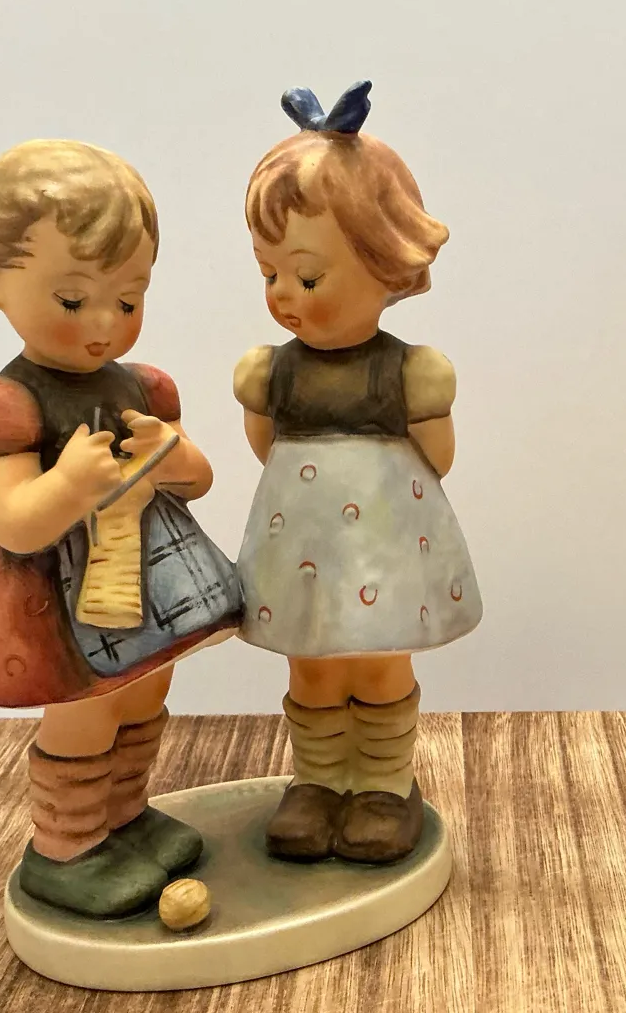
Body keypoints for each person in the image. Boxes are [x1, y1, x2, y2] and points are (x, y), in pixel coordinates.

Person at [0, 139, 242, 915]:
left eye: (128, 300)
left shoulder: (143, 386)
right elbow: (13, 522)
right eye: (72, 301)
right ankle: (66, 846)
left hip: (153, 582)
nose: (104, 324)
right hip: (61, 604)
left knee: (144, 694)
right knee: (87, 712)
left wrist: (172, 456)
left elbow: (198, 479)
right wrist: (68, 485)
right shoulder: (6, 405)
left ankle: (125, 817)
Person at [233, 81, 482, 864]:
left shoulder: (410, 372)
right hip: (300, 547)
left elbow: (437, 460)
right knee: (312, 668)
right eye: (269, 274)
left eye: (307, 278)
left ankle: (381, 783)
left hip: (383, 548)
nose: (284, 296)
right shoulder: (271, 370)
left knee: (376, 665)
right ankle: (317, 781)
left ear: (387, 266)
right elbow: (267, 446)